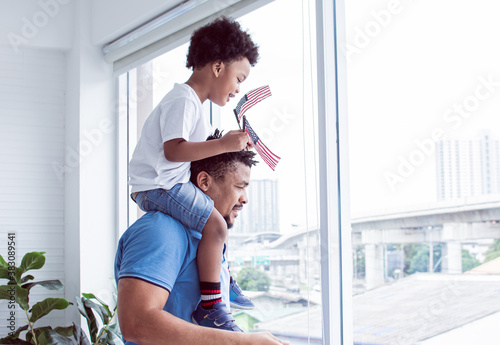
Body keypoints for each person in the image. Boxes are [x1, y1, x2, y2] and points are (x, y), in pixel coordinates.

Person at [115, 132, 289, 345]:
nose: (245, 199)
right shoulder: (161, 230)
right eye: (239, 186)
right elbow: (136, 323)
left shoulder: (209, 243)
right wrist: (243, 342)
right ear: (204, 181)